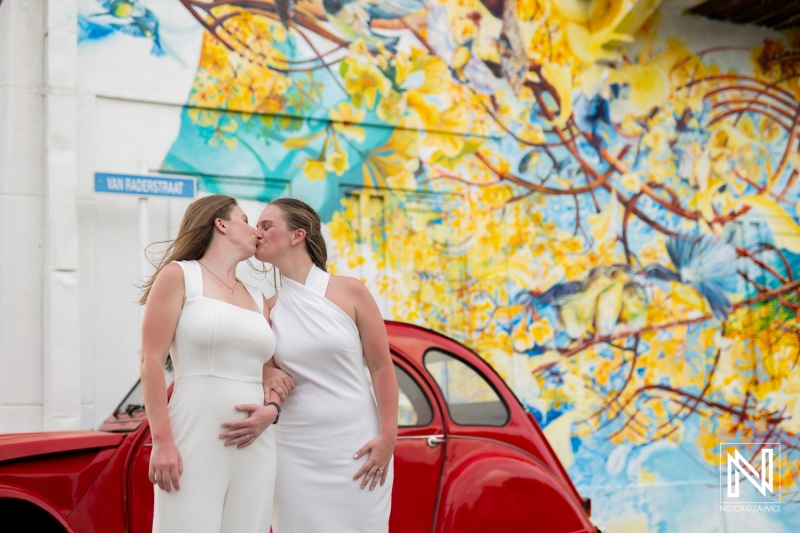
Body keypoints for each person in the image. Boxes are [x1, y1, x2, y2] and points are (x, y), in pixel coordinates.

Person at [249, 197, 399, 532]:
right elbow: (266, 380)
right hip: (293, 451)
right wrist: (265, 370)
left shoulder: (351, 292)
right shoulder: (267, 309)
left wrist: (389, 436)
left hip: (357, 444)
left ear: (297, 235)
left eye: (266, 225)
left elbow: (381, 366)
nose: (255, 233)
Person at [139, 195, 282, 533]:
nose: (256, 231)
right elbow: (150, 362)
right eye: (245, 219)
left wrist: (272, 410)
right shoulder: (179, 276)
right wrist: (162, 441)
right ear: (221, 224)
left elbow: (273, 374)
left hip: (256, 442)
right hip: (193, 433)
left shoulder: (259, 298)